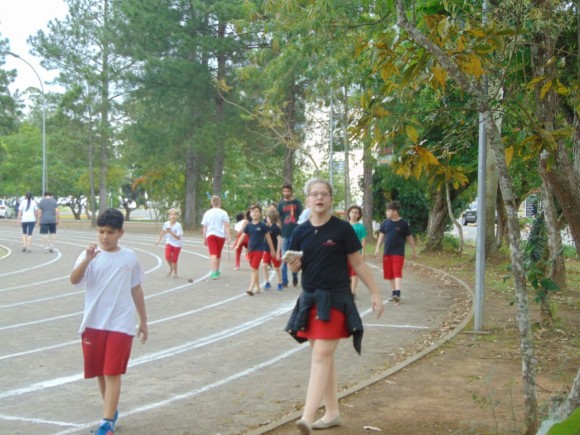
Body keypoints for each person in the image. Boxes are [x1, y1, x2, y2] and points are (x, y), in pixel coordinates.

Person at [284, 179, 384, 434]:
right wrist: (293, 265)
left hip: (337, 300)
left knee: (321, 356)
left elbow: (358, 263)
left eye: (324, 194)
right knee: (323, 357)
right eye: (314, 194)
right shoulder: (300, 231)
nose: (319, 198)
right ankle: (332, 413)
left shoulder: (342, 229)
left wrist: (375, 293)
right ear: (308, 199)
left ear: (330, 199)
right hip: (309, 300)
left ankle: (307, 418)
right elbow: (296, 264)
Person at [69, 208, 148, 435]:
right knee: (100, 372)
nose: (105, 237)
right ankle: (111, 411)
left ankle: (106, 423)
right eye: (101, 231)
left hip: (120, 324)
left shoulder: (130, 257)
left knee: (112, 372)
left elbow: (136, 289)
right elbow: (74, 280)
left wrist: (143, 321)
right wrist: (87, 260)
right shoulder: (89, 255)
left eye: (111, 232)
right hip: (93, 323)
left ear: (121, 233)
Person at [374, 200, 417, 304]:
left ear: (395, 211)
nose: (386, 212)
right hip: (387, 252)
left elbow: (409, 238)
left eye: (388, 211)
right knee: (389, 274)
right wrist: (377, 248)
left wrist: (414, 250)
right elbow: (381, 235)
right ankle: (394, 293)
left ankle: (398, 293)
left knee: (397, 272)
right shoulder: (385, 222)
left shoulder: (403, 224)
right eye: (387, 211)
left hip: (398, 253)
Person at [233, 204, 276, 296]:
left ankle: (251, 288)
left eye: (256, 212)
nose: (254, 213)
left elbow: (268, 238)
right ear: (250, 214)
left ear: (260, 213)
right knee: (254, 269)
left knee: (254, 269)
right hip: (250, 250)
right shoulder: (248, 226)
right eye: (252, 212)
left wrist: (272, 249)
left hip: (259, 250)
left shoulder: (263, 226)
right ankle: (257, 287)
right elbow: (242, 236)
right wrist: (237, 245)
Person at [277, 182, 303, 288]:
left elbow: (302, 216)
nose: (286, 193)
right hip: (285, 233)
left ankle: (295, 275)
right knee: (284, 257)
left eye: (288, 191)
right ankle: (284, 280)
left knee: (294, 256)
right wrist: (280, 227)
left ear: (291, 191)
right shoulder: (280, 204)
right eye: (285, 191)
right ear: (282, 192)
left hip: (296, 233)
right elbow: (278, 218)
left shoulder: (297, 202)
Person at [201, 195, 231, 279]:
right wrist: (228, 237)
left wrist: (204, 238)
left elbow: (205, 227)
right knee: (218, 253)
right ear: (220, 203)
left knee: (213, 253)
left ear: (211, 203)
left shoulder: (207, 213)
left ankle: (214, 272)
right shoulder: (224, 213)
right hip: (220, 235)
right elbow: (227, 225)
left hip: (210, 234)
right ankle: (217, 270)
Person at [156, 208, 183, 278]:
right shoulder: (166, 224)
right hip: (169, 242)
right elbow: (163, 231)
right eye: (171, 215)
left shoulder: (178, 225)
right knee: (167, 257)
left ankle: (175, 272)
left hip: (177, 244)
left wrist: (171, 232)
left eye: (174, 215)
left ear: (177, 216)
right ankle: (171, 268)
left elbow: (178, 237)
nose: (173, 216)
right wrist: (159, 240)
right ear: (169, 216)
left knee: (174, 259)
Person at [347, 205, 367, 296]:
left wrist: (363, 253)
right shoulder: (344, 225)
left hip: (356, 253)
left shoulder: (361, 227)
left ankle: (353, 291)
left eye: (356, 213)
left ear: (359, 215)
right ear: (349, 213)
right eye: (352, 212)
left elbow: (363, 241)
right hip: (345, 253)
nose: (353, 214)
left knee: (354, 273)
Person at [262, 209, 283, 291]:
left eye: (267, 217)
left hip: (274, 250)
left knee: (277, 267)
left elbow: (279, 240)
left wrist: (278, 252)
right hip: (267, 249)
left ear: (270, 218)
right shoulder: (267, 227)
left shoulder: (276, 228)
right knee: (264, 265)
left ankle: (279, 283)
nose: (266, 218)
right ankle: (267, 282)